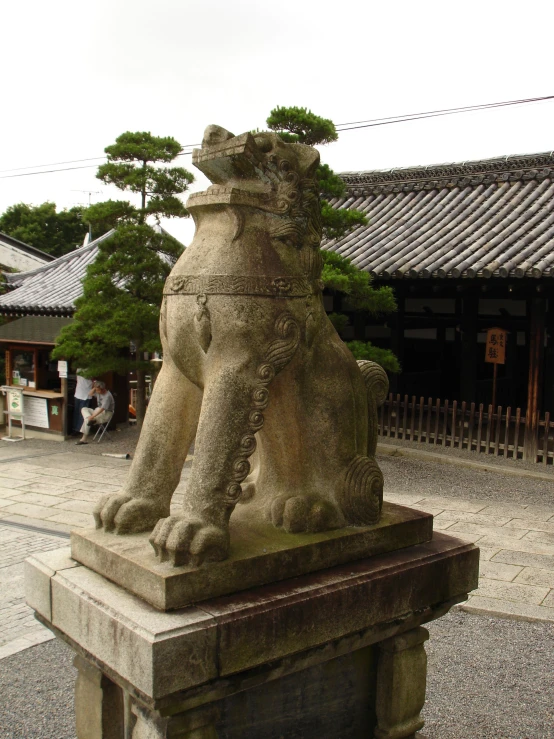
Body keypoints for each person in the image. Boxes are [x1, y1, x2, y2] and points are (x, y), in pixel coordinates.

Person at [73, 370, 93, 435]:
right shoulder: (89, 369)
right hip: (84, 394)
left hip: (81, 394)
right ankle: (78, 429)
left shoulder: (79, 369)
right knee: (81, 413)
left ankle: (76, 429)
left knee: (79, 413)